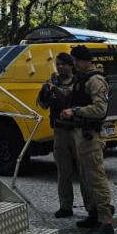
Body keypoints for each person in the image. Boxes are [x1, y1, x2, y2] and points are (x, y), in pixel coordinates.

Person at [59, 45, 114, 234]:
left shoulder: (96, 80)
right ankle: (94, 214)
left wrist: (75, 111)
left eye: (75, 61)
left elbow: (100, 109)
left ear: (84, 61)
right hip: (80, 135)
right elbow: (74, 97)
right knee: (88, 180)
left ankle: (106, 221)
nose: (73, 64)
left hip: (91, 136)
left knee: (97, 179)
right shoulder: (80, 80)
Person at [36, 52, 82, 218]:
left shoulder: (78, 81)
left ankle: (92, 207)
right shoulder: (52, 81)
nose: (61, 67)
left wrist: (55, 89)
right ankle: (65, 206)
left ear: (71, 65)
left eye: (64, 64)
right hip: (60, 131)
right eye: (58, 64)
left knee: (84, 171)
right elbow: (42, 104)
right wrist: (44, 93)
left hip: (78, 131)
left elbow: (68, 94)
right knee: (63, 172)